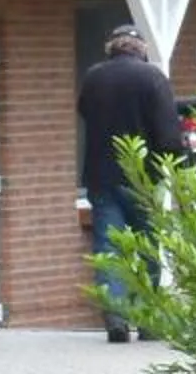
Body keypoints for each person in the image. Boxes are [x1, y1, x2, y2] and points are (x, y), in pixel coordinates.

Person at [76, 25, 189, 342]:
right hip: (142, 177)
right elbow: (167, 134)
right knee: (147, 246)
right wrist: (177, 160)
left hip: (101, 176)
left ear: (112, 47)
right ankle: (147, 317)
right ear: (141, 48)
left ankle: (115, 315)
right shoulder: (152, 77)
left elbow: (84, 111)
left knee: (108, 245)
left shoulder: (93, 78)